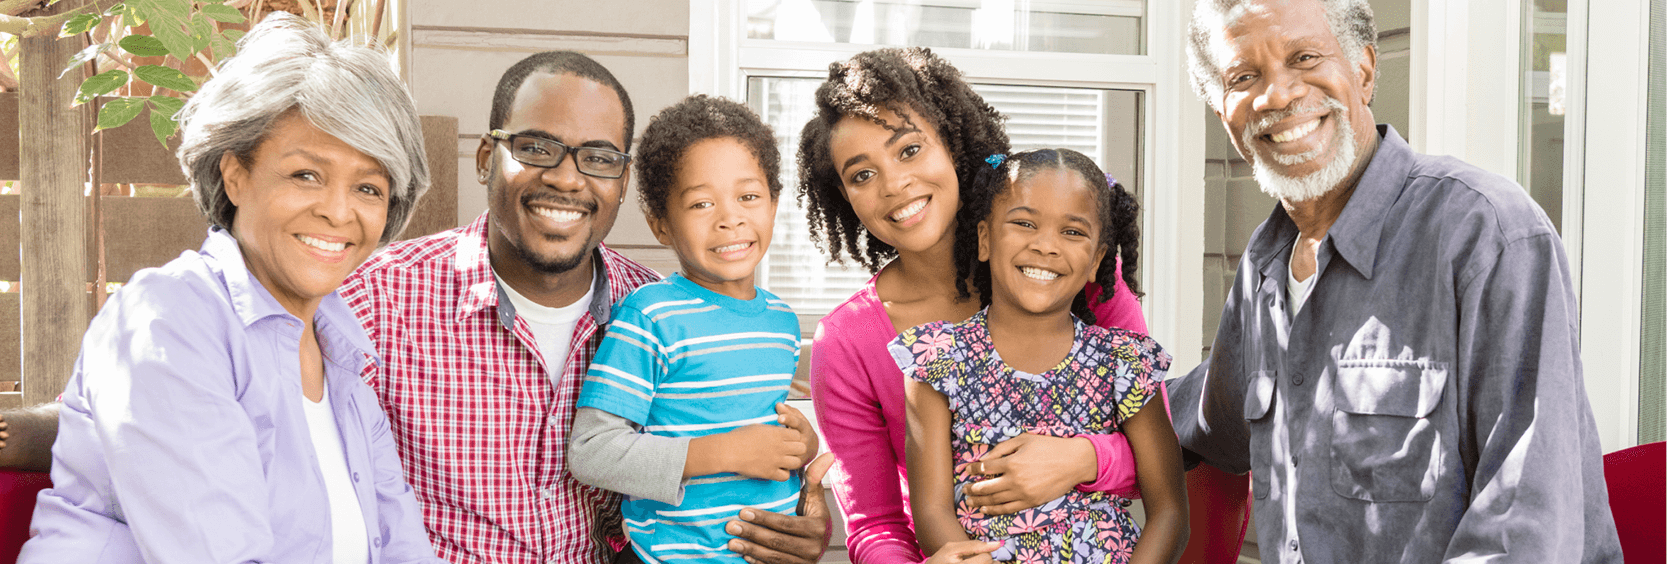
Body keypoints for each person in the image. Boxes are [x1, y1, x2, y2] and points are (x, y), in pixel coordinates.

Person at [0, 51, 835, 564]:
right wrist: (50, 422)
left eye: (598, 157)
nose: (567, 177)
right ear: (485, 158)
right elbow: (160, 393)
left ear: (622, 181)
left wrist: (791, 517)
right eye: (535, 147)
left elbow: (732, 439)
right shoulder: (375, 299)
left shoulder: (656, 310)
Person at [1168, 0, 1623, 562]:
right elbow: (1214, 418)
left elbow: (1525, 525)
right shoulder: (1266, 265)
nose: (1277, 95)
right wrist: (1090, 432)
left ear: (1363, 70)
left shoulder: (1486, 233)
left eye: (1304, 57)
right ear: (1223, 112)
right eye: (1244, 77)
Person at [17, 13, 441, 563]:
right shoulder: (166, 319)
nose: (339, 211)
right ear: (236, 173)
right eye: (306, 175)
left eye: (368, 187)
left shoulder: (342, 349)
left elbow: (401, 546)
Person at [796, 47, 1149, 564]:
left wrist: (1081, 458)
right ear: (843, 196)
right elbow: (876, 526)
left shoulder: (1068, 273)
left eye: (910, 150)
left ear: (954, 146)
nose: (894, 184)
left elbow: (1162, 452)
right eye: (862, 175)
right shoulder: (850, 341)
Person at [898, 148, 1188, 564]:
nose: (1046, 246)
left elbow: (1170, 511)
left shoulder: (1124, 362)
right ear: (984, 239)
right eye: (1024, 223)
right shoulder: (938, 359)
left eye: (1072, 232)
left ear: (1097, 261)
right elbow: (931, 511)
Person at [569, 95, 818, 564]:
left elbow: (762, 426)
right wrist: (724, 453)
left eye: (749, 196)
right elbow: (592, 451)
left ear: (774, 204)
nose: (730, 218)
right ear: (661, 224)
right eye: (702, 203)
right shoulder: (651, 315)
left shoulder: (782, 322)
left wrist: (803, 444)